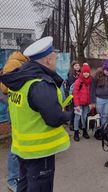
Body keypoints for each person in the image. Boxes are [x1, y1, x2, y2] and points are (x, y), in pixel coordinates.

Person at [0, 36, 71, 192]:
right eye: (55, 58)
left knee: (24, 184)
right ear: (47, 61)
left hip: (23, 148)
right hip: (39, 152)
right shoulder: (39, 84)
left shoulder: (20, 78)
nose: (56, 61)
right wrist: (69, 115)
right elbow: (54, 118)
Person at [0, 37, 33, 192]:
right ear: (25, 49)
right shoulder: (14, 62)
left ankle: (20, 176)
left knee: (21, 145)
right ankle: (12, 179)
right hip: (14, 109)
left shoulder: (25, 61)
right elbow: (5, 87)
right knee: (16, 147)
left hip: (22, 109)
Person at [91, 61, 108, 128]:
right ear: (103, 69)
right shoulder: (97, 76)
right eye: (106, 70)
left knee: (105, 115)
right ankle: (97, 130)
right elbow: (92, 89)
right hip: (99, 99)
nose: (107, 72)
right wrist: (93, 101)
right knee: (98, 115)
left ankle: (103, 130)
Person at [73, 63, 93, 141]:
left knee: (84, 117)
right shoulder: (78, 81)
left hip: (86, 104)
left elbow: (92, 92)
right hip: (79, 104)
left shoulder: (91, 81)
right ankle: (76, 132)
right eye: (84, 72)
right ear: (82, 72)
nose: (86, 73)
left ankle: (84, 131)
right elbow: (75, 93)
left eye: (87, 72)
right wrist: (77, 105)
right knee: (77, 118)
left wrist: (91, 103)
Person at [65, 60, 81, 131]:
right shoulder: (71, 75)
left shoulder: (81, 74)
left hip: (80, 95)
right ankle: (71, 124)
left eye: (78, 65)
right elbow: (70, 85)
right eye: (75, 66)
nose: (77, 67)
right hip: (73, 95)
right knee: (72, 110)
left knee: (79, 110)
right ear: (73, 67)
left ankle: (78, 124)